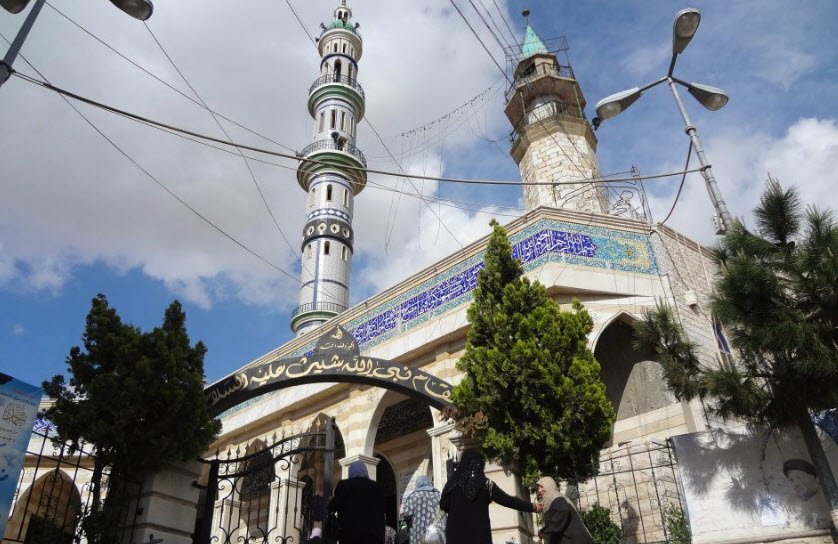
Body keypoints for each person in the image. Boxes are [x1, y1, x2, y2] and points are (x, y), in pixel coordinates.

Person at [440, 449, 540, 544]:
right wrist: (532, 507)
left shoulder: (452, 484)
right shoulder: (486, 484)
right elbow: (508, 500)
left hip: (456, 536)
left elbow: (443, 504)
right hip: (480, 537)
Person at [328, 460, 386, 544]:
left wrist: (331, 501)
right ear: (365, 471)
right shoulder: (377, 487)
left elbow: (333, 506)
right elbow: (383, 508)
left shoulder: (344, 485)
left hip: (350, 536)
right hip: (374, 537)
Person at [535, 476, 592, 544]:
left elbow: (563, 510)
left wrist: (545, 531)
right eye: (538, 488)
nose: (539, 490)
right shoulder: (552, 500)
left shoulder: (556, 497)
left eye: (542, 487)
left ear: (549, 485)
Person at [399, 475, 444, 544]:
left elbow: (406, 514)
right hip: (437, 535)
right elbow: (444, 513)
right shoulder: (439, 495)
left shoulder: (413, 497)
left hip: (417, 534)